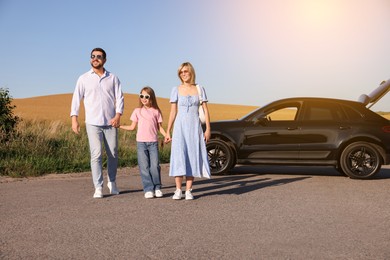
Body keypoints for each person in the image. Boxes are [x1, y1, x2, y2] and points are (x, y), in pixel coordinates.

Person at [70, 47, 124, 199]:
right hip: (92, 123)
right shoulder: (83, 78)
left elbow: (120, 97)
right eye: (93, 56)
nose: (95, 58)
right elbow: (76, 99)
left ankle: (112, 182)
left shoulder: (113, 78)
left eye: (99, 56)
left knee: (113, 153)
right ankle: (98, 187)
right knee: (96, 154)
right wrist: (74, 119)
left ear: (104, 60)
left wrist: (118, 115)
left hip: (111, 122)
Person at [164, 62, 211, 200]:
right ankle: (178, 190)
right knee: (179, 156)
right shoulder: (176, 89)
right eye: (181, 72)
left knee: (192, 156)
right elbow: (173, 112)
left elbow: (206, 111)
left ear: (191, 72)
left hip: (194, 126)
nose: (183, 74)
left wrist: (208, 129)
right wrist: (168, 131)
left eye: (186, 71)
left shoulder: (200, 89)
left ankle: (189, 190)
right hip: (180, 127)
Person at [119, 87, 167, 199]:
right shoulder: (137, 111)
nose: (143, 99)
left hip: (153, 143)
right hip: (141, 143)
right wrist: (119, 126)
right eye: (141, 96)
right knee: (144, 167)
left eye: (146, 96)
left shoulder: (156, 111)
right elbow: (132, 127)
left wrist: (167, 135)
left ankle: (157, 188)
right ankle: (148, 189)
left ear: (151, 98)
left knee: (154, 166)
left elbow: (159, 128)